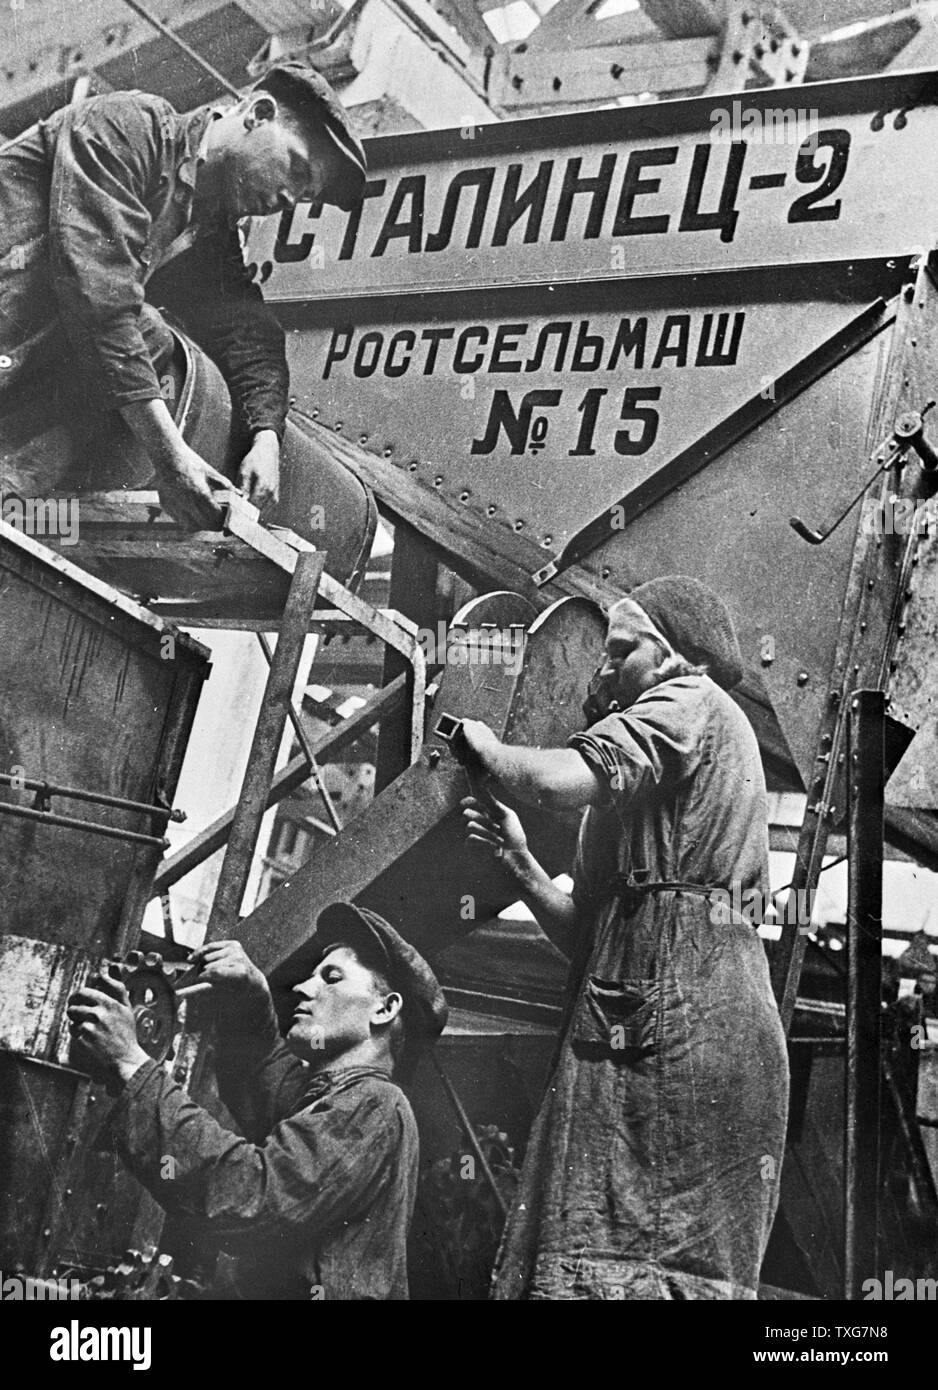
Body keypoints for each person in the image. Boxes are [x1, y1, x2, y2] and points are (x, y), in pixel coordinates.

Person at [460, 575, 789, 1300]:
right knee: (597, 1247)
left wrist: (481, 743)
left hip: (690, 1025)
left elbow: (550, 780)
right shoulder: (631, 796)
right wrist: (520, 865)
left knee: (650, 1263)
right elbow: (591, 937)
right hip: (642, 1020)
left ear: (678, 655)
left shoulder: (694, 702)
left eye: (621, 652)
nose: (602, 671)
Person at [0, 62, 365, 528]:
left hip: (13, 366)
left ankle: (10, 500)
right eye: (295, 168)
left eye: (306, 194)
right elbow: (98, 295)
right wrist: (171, 456)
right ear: (258, 113)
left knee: (153, 340)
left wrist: (267, 436)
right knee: (145, 332)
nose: (291, 198)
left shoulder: (204, 231)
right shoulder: (132, 127)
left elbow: (251, 336)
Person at [67, 902, 447, 1300]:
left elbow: (251, 1196)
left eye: (331, 978)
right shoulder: (335, 1098)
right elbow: (266, 1081)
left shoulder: (375, 1105)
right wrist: (251, 999)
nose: (303, 987)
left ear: (385, 1009)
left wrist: (132, 1063)